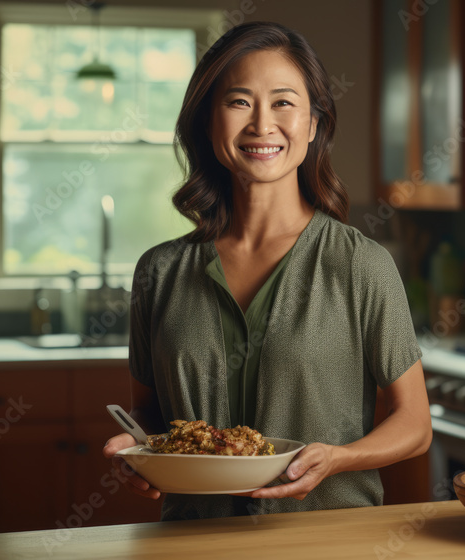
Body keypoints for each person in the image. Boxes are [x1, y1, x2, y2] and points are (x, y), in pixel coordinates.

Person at [102, 21, 431, 520]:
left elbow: (415, 424)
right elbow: (150, 415)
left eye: (283, 102)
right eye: (238, 102)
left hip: (326, 545)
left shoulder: (360, 264)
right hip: (191, 547)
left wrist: (339, 458)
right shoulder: (159, 272)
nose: (261, 125)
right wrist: (137, 449)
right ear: (208, 122)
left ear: (313, 124)